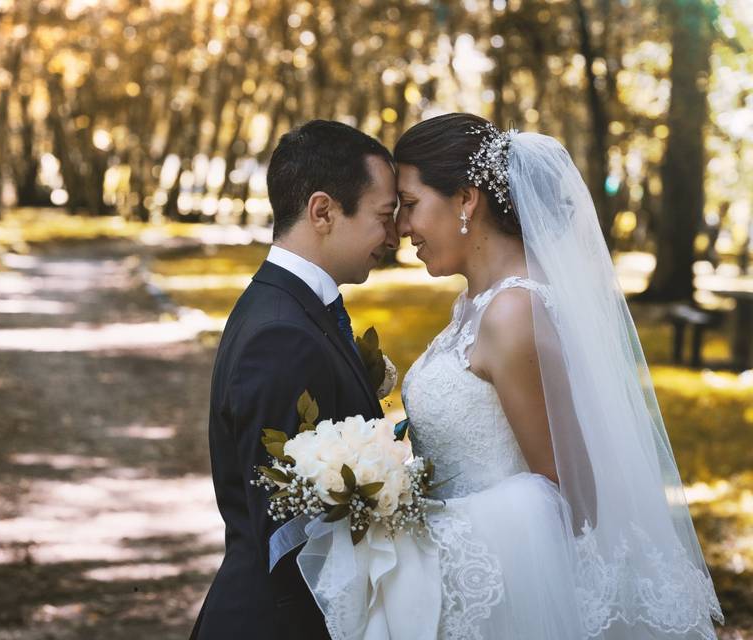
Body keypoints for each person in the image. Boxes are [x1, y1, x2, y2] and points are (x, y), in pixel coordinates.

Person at [386, 112, 723, 638]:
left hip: (511, 590)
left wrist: (435, 532)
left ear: (466, 200)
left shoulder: (513, 312)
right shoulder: (479, 302)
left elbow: (567, 496)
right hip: (471, 580)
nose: (402, 228)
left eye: (410, 206)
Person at [189, 119, 399, 639]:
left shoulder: (288, 308)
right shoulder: (282, 335)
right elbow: (288, 529)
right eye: (383, 216)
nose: (394, 237)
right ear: (323, 211)